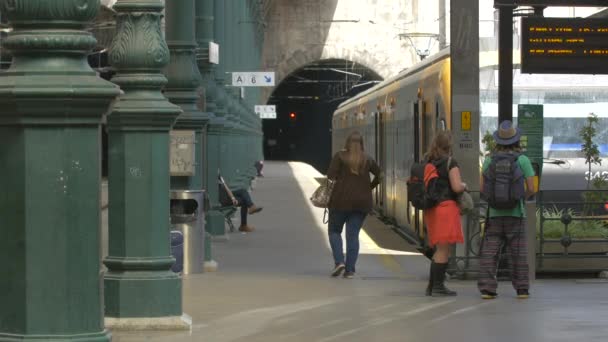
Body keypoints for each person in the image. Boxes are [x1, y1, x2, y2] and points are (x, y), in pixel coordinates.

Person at [478, 120, 536, 300]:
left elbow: (481, 187)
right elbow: (532, 188)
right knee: (518, 253)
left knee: (490, 252)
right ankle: (522, 289)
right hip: (516, 214)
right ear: (516, 140)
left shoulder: (489, 159)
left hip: (494, 214)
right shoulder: (523, 160)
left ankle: (488, 289)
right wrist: (520, 197)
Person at [326, 131, 382, 279]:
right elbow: (380, 175)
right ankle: (350, 270)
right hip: (361, 203)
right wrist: (369, 187)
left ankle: (339, 262)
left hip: (340, 201)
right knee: (353, 236)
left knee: (334, 231)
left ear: (347, 143)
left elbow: (330, 176)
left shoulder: (339, 156)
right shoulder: (367, 159)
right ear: (362, 144)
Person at [423, 131, 466, 297]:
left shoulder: (429, 161)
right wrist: (464, 185)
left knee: (438, 249)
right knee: (443, 250)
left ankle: (432, 285)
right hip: (446, 209)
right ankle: (438, 287)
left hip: (432, 209)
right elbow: (456, 187)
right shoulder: (450, 162)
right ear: (449, 147)